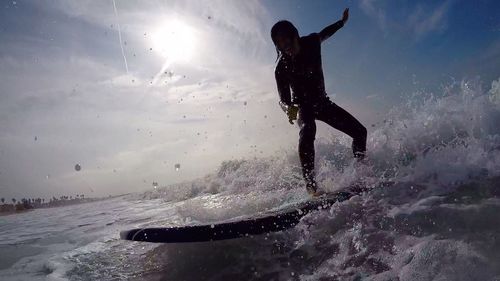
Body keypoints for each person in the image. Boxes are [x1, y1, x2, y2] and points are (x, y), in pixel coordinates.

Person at [271, 8, 367, 196]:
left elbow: (325, 33)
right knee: (308, 130)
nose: (284, 46)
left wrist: (342, 22)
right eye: (279, 43)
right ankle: (311, 186)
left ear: (294, 35)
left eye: (286, 39)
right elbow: (283, 101)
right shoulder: (281, 69)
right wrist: (288, 109)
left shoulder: (312, 43)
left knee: (360, 132)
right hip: (302, 107)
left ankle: (360, 173)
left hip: (323, 104)